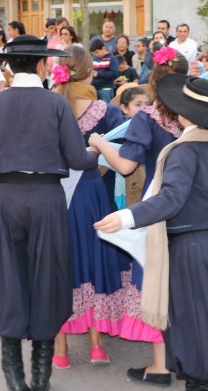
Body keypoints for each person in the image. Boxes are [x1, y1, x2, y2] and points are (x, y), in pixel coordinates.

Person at [94, 74, 208, 391]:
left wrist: (128, 216)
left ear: (185, 114)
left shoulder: (184, 150)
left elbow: (171, 199)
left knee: (197, 331)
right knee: (207, 327)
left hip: (191, 249)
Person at [0, 35, 99, 391]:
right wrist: (98, 149)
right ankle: (41, 374)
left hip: (6, 197)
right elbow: (77, 158)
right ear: (42, 65)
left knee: (9, 277)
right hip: (46, 199)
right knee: (48, 276)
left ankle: (14, 375)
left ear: (9, 65)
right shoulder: (55, 103)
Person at [87, 47, 189, 388]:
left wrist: (100, 143)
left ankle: (161, 365)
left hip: (158, 206)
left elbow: (126, 166)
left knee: (157, 278)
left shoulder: (147, 118)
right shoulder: (198, 112)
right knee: (189, 281)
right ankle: (188, 357)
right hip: (198, 206)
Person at [49, 45, 141, 368]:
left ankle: (59, 348)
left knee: (61, 263)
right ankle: (96, 344)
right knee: (91, 260)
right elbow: (122, 150)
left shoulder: (48, 105)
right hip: (90, 193)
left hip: (54, 195)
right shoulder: (103, 110)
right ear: (90, 72)